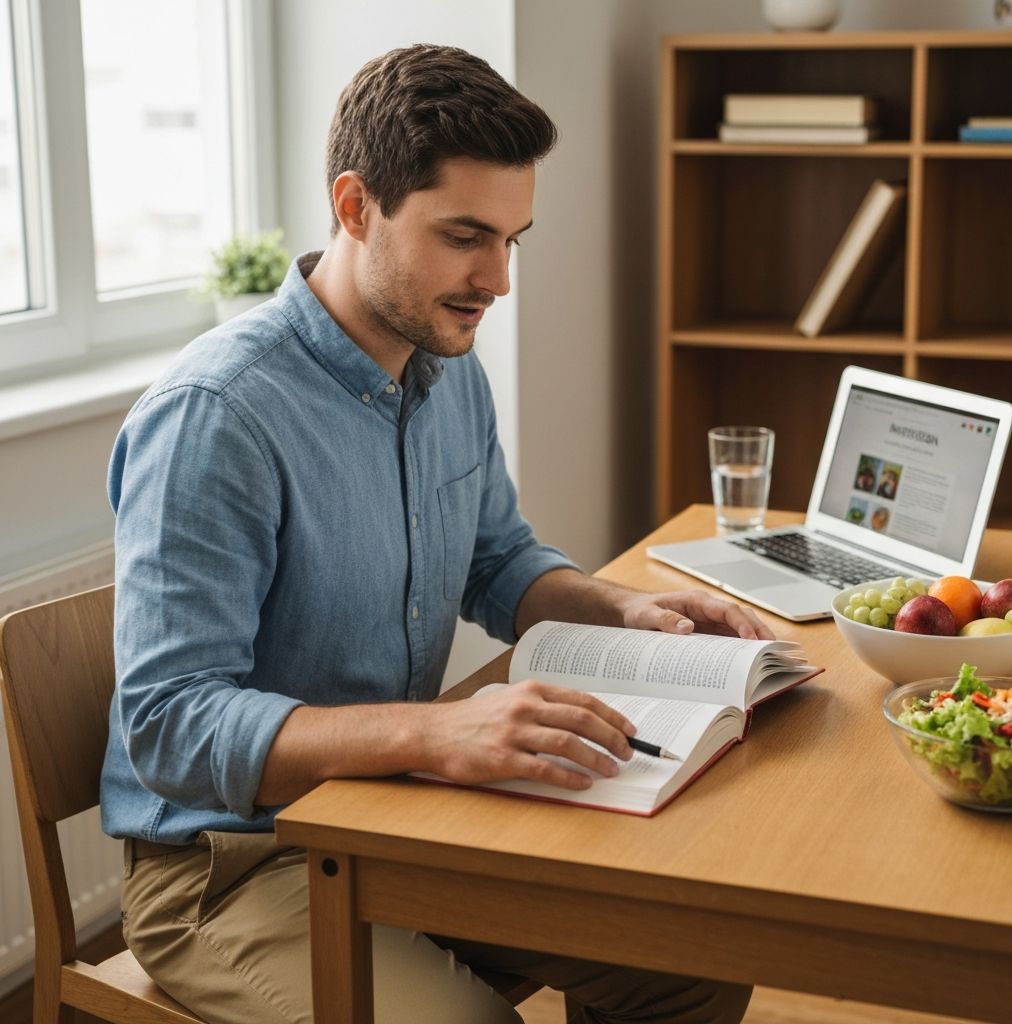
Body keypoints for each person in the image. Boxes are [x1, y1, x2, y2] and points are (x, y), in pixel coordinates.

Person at [102, 44, 771, 1024]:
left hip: (393, 812)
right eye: (465, 235)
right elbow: (170, 724)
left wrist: (626, 608)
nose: (496, 277)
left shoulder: (445, 362)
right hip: (230, 866)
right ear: (354, 205)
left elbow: (495, 557)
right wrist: (437, 730)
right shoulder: (218, 416)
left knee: (685, 955)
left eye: (511, 238)